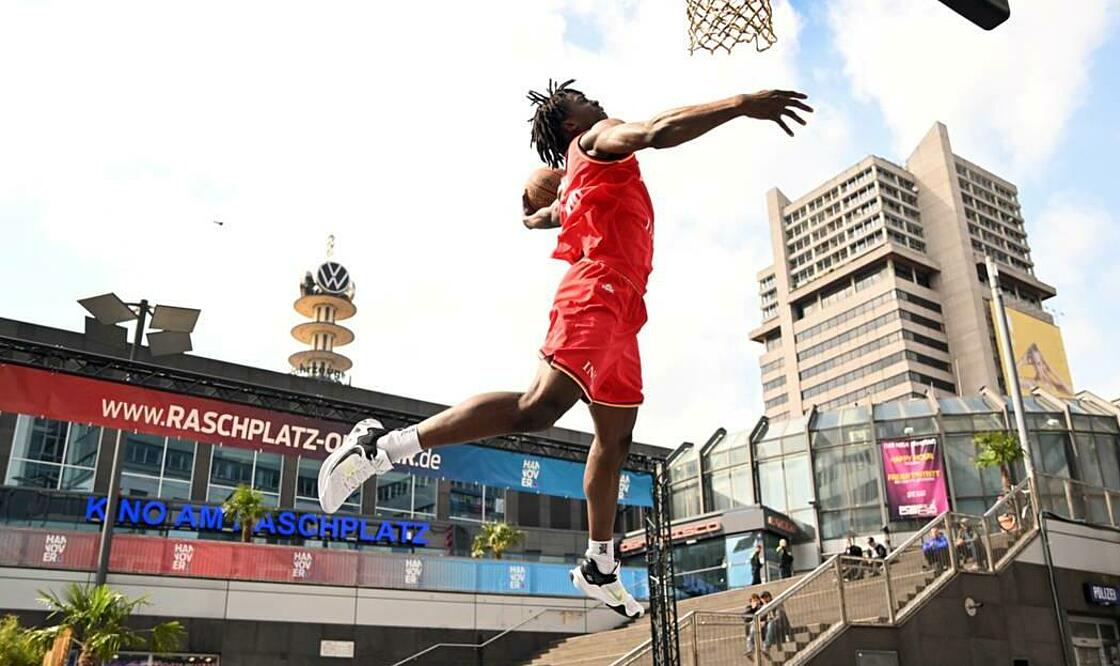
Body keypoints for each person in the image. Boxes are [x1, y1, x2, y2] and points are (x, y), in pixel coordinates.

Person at [317, 80, 813, 619]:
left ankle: (599, 564)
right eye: (584, 102)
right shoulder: (598, 140)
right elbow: (657, 130)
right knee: (541, 406)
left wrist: (534, 209)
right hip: (596, 293)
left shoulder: (578, 180)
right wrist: (739, 105)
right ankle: (381, 447)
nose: (598, 102)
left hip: (623, 309)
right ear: (573, 125)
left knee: (615, 438)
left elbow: (546, 217)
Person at [744, 592, 764, 658]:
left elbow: (762, 615)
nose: (755, 602)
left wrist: (758, 607)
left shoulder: (762, 606)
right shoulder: (749, 608)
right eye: (753, 600)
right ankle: (750, 649)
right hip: (753, 625)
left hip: (761, 624)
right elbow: (745, 617)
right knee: (751, 628)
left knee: (753, 626)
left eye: (756, 600)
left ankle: (751, 648)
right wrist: (753, 608)